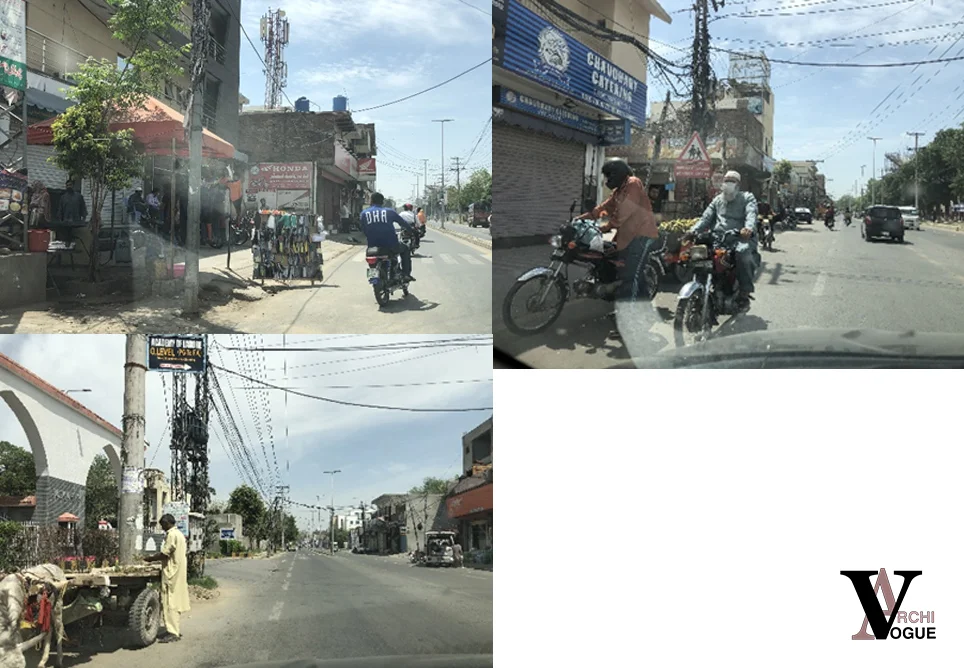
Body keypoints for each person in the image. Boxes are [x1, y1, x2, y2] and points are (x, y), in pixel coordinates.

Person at [576, 158, 659, 303]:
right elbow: (602, 209)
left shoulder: (633, 183)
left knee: (631, 275)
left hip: (642, 235)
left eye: (609, 175)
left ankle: (631, 312)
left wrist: (606, 227)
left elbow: (626, 210)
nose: (607, 179)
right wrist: (579, 220)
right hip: (627, 236)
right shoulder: (618, 191)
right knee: (614, 264)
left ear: (617, 173)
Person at [686, 170, 759, 309]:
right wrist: (693, 231)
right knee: (699, 254)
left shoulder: (747, 197)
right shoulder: (718, 200)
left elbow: (751, 214)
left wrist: (748, 229)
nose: (728, 184)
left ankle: (745, 290)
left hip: (740, 238)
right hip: (718, 238)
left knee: (742, 253)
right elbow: (706, 218)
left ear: (738, 184)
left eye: (732, 181)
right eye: (726, 181)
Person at [143, 514, 191, 643]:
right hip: (178, 571)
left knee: (170, 602)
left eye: (163, 525)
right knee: (174, 601)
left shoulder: (171, 535)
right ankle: (173, 629)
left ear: (167, 523)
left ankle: (173, 632)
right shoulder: (180, 535)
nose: (162, 527)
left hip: (171, 573)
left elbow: (164, 554)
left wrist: (150, 559)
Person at [360, 192, 417, 282]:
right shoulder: (389, 212)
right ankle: (406, 274)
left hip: (372, 247)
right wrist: (411, 231)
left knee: (372, 263)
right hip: (391, 245)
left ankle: (373, 278)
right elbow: (404, 224)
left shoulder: (364, 213)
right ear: (382, 202)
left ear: (371, 201)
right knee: (405, 248)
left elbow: (363, 229)